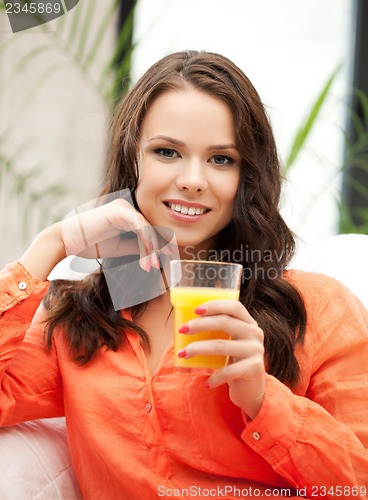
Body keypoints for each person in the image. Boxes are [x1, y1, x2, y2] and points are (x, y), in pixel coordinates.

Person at [0, 50, 367, 500]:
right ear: (133, 161)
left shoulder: (319, 308)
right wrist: (51, 245)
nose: (193, 179)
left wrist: (261, 399)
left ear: (248, 176)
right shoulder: (82, 319)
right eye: (167, 152)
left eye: (221, 159)